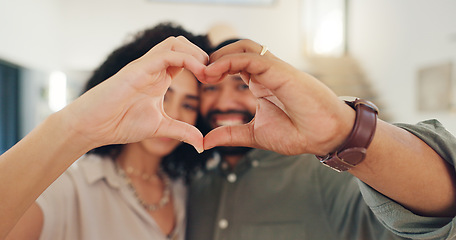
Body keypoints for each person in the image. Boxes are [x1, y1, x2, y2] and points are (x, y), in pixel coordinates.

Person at [186, 39, 456, 240]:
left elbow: (433, 221)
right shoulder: (190, 182)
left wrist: (343, 133)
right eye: (210, 89)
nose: (224, 102)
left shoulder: (322, 176)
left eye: (242, 86)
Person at [3, 22, 211, 240]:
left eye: (189, 105)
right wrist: (73, 125)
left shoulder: (184, 190)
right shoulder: (72, 186)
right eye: (163, 97)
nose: (171, 113)